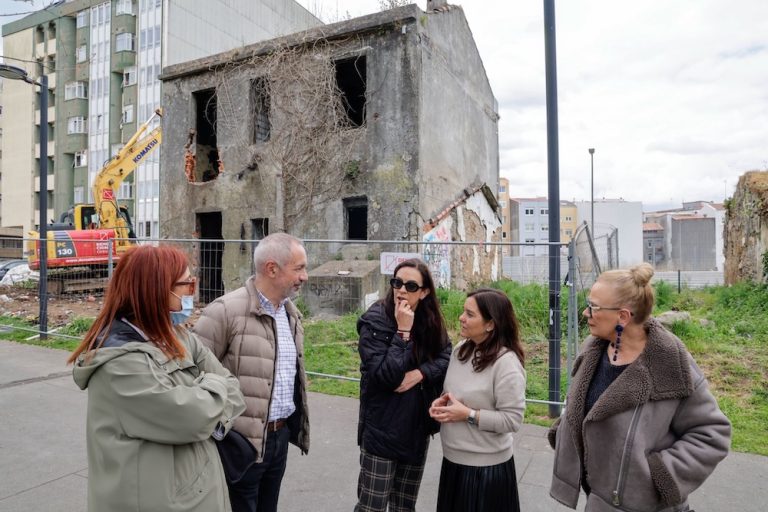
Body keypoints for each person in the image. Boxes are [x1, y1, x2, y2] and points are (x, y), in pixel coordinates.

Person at [68, 245, 246, 512]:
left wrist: (206, 397)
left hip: (192, 489)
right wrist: (210, 391)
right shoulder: (119, 364)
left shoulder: (177, 335)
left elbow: (233, 386)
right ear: (156, 289)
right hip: (156, 501)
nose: (191, 293)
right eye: (187, 284)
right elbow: (192, 417)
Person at [548, 263, 731, 511]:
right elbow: (585, 406)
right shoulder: (594, 348)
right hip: (598, 502)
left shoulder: (670, 362)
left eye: (593, 307)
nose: (585, 313)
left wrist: (660, 476)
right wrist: (567, 429)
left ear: (623, 316)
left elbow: (713, 434)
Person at [194, 232, 310, 512]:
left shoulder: (289, 313)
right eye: (299, 268)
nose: (305, 276)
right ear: (272, 268)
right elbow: (193, 375)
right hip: (238, 442)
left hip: (279, 437)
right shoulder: (224, 311)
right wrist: (223, 432)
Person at [355, 258, 452, 512]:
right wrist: (403, 333)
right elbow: (386, 376)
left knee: (404, 506)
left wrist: (420, 373)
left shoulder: (430, 319)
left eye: (410, 286)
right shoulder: (374, 320)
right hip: (381, 429)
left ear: (424, 291)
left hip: (416, 429)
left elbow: (446, 355)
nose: (401, 290)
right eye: (397, 282)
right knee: (371, 506)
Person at [429, 288, 527, 512]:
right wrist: (442, 403)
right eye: (464, 312)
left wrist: (468, 415)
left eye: (470, 314)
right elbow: (457, 395)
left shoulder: (506, 363)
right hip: (453, 461)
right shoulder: (460, 350)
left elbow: (512, 420)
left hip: (486, 470)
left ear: (490, 324)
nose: (461, 318)